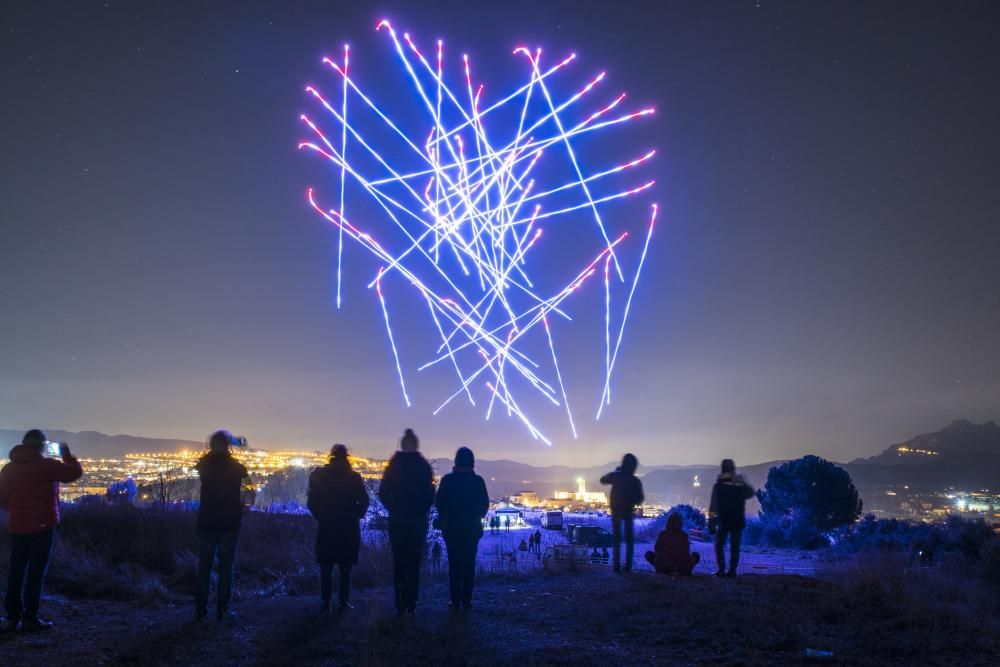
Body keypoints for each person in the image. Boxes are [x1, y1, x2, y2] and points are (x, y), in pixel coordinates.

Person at [0, 430, 83, 632]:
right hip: (43, 525)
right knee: (36, 572)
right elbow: (73, 473)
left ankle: (12, 618)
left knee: (16, 571)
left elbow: (1, 497)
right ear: (41, 446)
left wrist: (16, 511)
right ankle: (30, 618)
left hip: (17, 526)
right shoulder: (47, 466)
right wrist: (67, 456)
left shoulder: (8, 469)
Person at [194, 430, 250, 621]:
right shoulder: (237, 468)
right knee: (225, 569)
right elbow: (249, 493)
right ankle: (222, 610)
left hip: (206, 522)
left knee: (204, 569)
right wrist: (243, 509)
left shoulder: (204, 466)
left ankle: (200, 610)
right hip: (229, 523)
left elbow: (202, 462)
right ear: (228, 446)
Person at [379, 428, 435, 615]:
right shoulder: (423, 466)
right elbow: (430, 495)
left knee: (399, 562)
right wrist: (422, 510)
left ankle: (400, 601)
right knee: (413, 562)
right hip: (417, 522)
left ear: (402, 446)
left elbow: (383, 492)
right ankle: (411, 602)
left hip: (398, 521)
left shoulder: (393, 466)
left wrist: (393, 508)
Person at [307, 444, 369, 611]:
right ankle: (343, 601)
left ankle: (325, 601)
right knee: (345, 567)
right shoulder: (354, 478)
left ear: (331, 456)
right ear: (346, 457)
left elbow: (311, 502)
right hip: (348, 527)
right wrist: (355, 515)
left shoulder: (319, 476)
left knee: (326, 566)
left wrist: (321, 516)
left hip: (327, 526)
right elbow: (364, 501)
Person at [435, 447, 489, 610]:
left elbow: (439, 504)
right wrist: (475, 516)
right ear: (472, 462)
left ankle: (455, 600)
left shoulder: (447, 481)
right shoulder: (478, 481)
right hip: (472, 529)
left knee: (454, 565)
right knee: (468, 565)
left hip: (451, 529)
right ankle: (467, 600)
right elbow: (484, 505)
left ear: (456, 461)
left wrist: (447, 517)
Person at [708, 459, 755, 577]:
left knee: (719, 545)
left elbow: (714, 507)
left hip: (724, 521)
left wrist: (712, 523)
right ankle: (732, 570)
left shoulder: (718, 486)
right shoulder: (739, 486)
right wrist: (742, 481)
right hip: (738, 520)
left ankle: (721, 569)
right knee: (735, 547)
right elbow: (750, 493)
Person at [600, 453, 644, 572]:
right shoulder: (635, 481)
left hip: (616, 511)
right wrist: (633, 500)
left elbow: (603, 480)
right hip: (628, 511)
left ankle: (616, 566)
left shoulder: (616, 476)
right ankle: (628, 566)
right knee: (629, 540)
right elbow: (640, 498)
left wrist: (616, 473)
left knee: (617, 539)